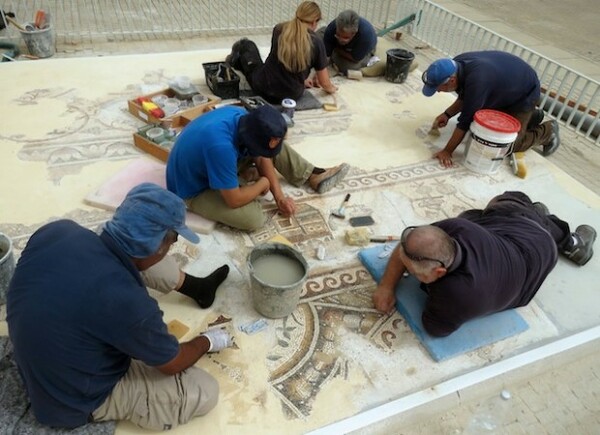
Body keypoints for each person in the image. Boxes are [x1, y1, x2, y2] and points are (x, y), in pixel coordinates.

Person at [7, 183, 234, 430]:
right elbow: (173, 363)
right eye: (173, 240)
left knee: (148, 262)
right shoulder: (132, 306)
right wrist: (207, 341)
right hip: (67, 400)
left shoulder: (58, 231)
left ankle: (199, 289)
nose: (172, 246)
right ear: (159, 244)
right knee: (204, 390)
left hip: (41, 352)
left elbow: (127, 267)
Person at [372, 191, 596, 337]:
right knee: (507, 204)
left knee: (510, 204)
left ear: (439, 271)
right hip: (528, 241)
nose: (407, 271)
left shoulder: (456, 295)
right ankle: (545, 220)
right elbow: (407, 249)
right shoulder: (457, 228)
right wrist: (386, 286)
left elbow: (435, 329)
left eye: (413, 272)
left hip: (534, 249)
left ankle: (572, 241)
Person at [166, 104, 349, 231]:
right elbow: (234, 201)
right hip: (192, 187)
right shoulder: (221, 147)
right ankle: (241, 180)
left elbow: (263, 156)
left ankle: (311, 175)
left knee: (273, 147)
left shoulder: (245, 119)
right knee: (254, 219)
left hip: (214, 161)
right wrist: (262, 184)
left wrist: (279, 197)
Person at [421, 51, 560, 168]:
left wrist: (447, 151)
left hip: (524, 93)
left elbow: (464, 122)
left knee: (503, 146)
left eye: (439, 88)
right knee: (482, 123)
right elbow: (466, 96)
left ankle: (548, 131)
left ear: (451, 80)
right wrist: (447, 114)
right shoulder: (457, 65)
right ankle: (531, 117)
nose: (438, 92)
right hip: (506, 88)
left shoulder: (477, 81)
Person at [226, 1, 337, 104]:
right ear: (314, 22)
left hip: (264, 88)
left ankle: (234, 62)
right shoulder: (317, 42)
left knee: (246, 45)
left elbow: (277, 64)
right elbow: (324, 83)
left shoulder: (279, 29)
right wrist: (332, 88)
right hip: (292, 95)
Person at [319, 9, 378, 76]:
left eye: (345, 37)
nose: (340, 39)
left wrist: (335, 49)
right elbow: (326, 56)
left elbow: (356, 59)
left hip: (357, 52)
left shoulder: (366, 35)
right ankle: (334, 56)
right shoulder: (332, 28)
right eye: (338, 35)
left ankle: (335, 56)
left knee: (350, 68)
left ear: (354, 33)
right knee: (317, 36)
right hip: (337, 46)